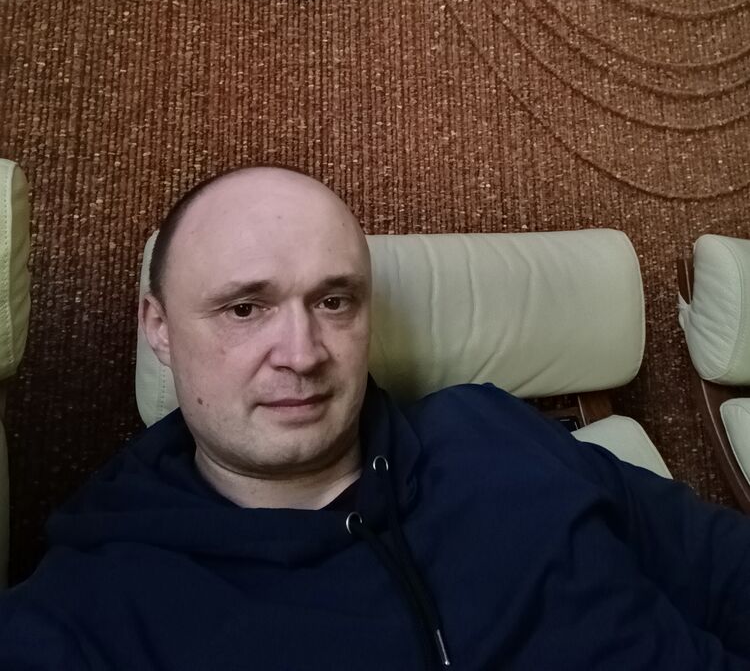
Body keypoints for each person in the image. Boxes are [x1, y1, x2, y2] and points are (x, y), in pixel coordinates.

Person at [1, 166, 750, 671]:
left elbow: (722, 566)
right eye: (245, 309)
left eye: (334, 301)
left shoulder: (493, 430)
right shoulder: (92, 606)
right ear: (158, 328)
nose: (302, 354)